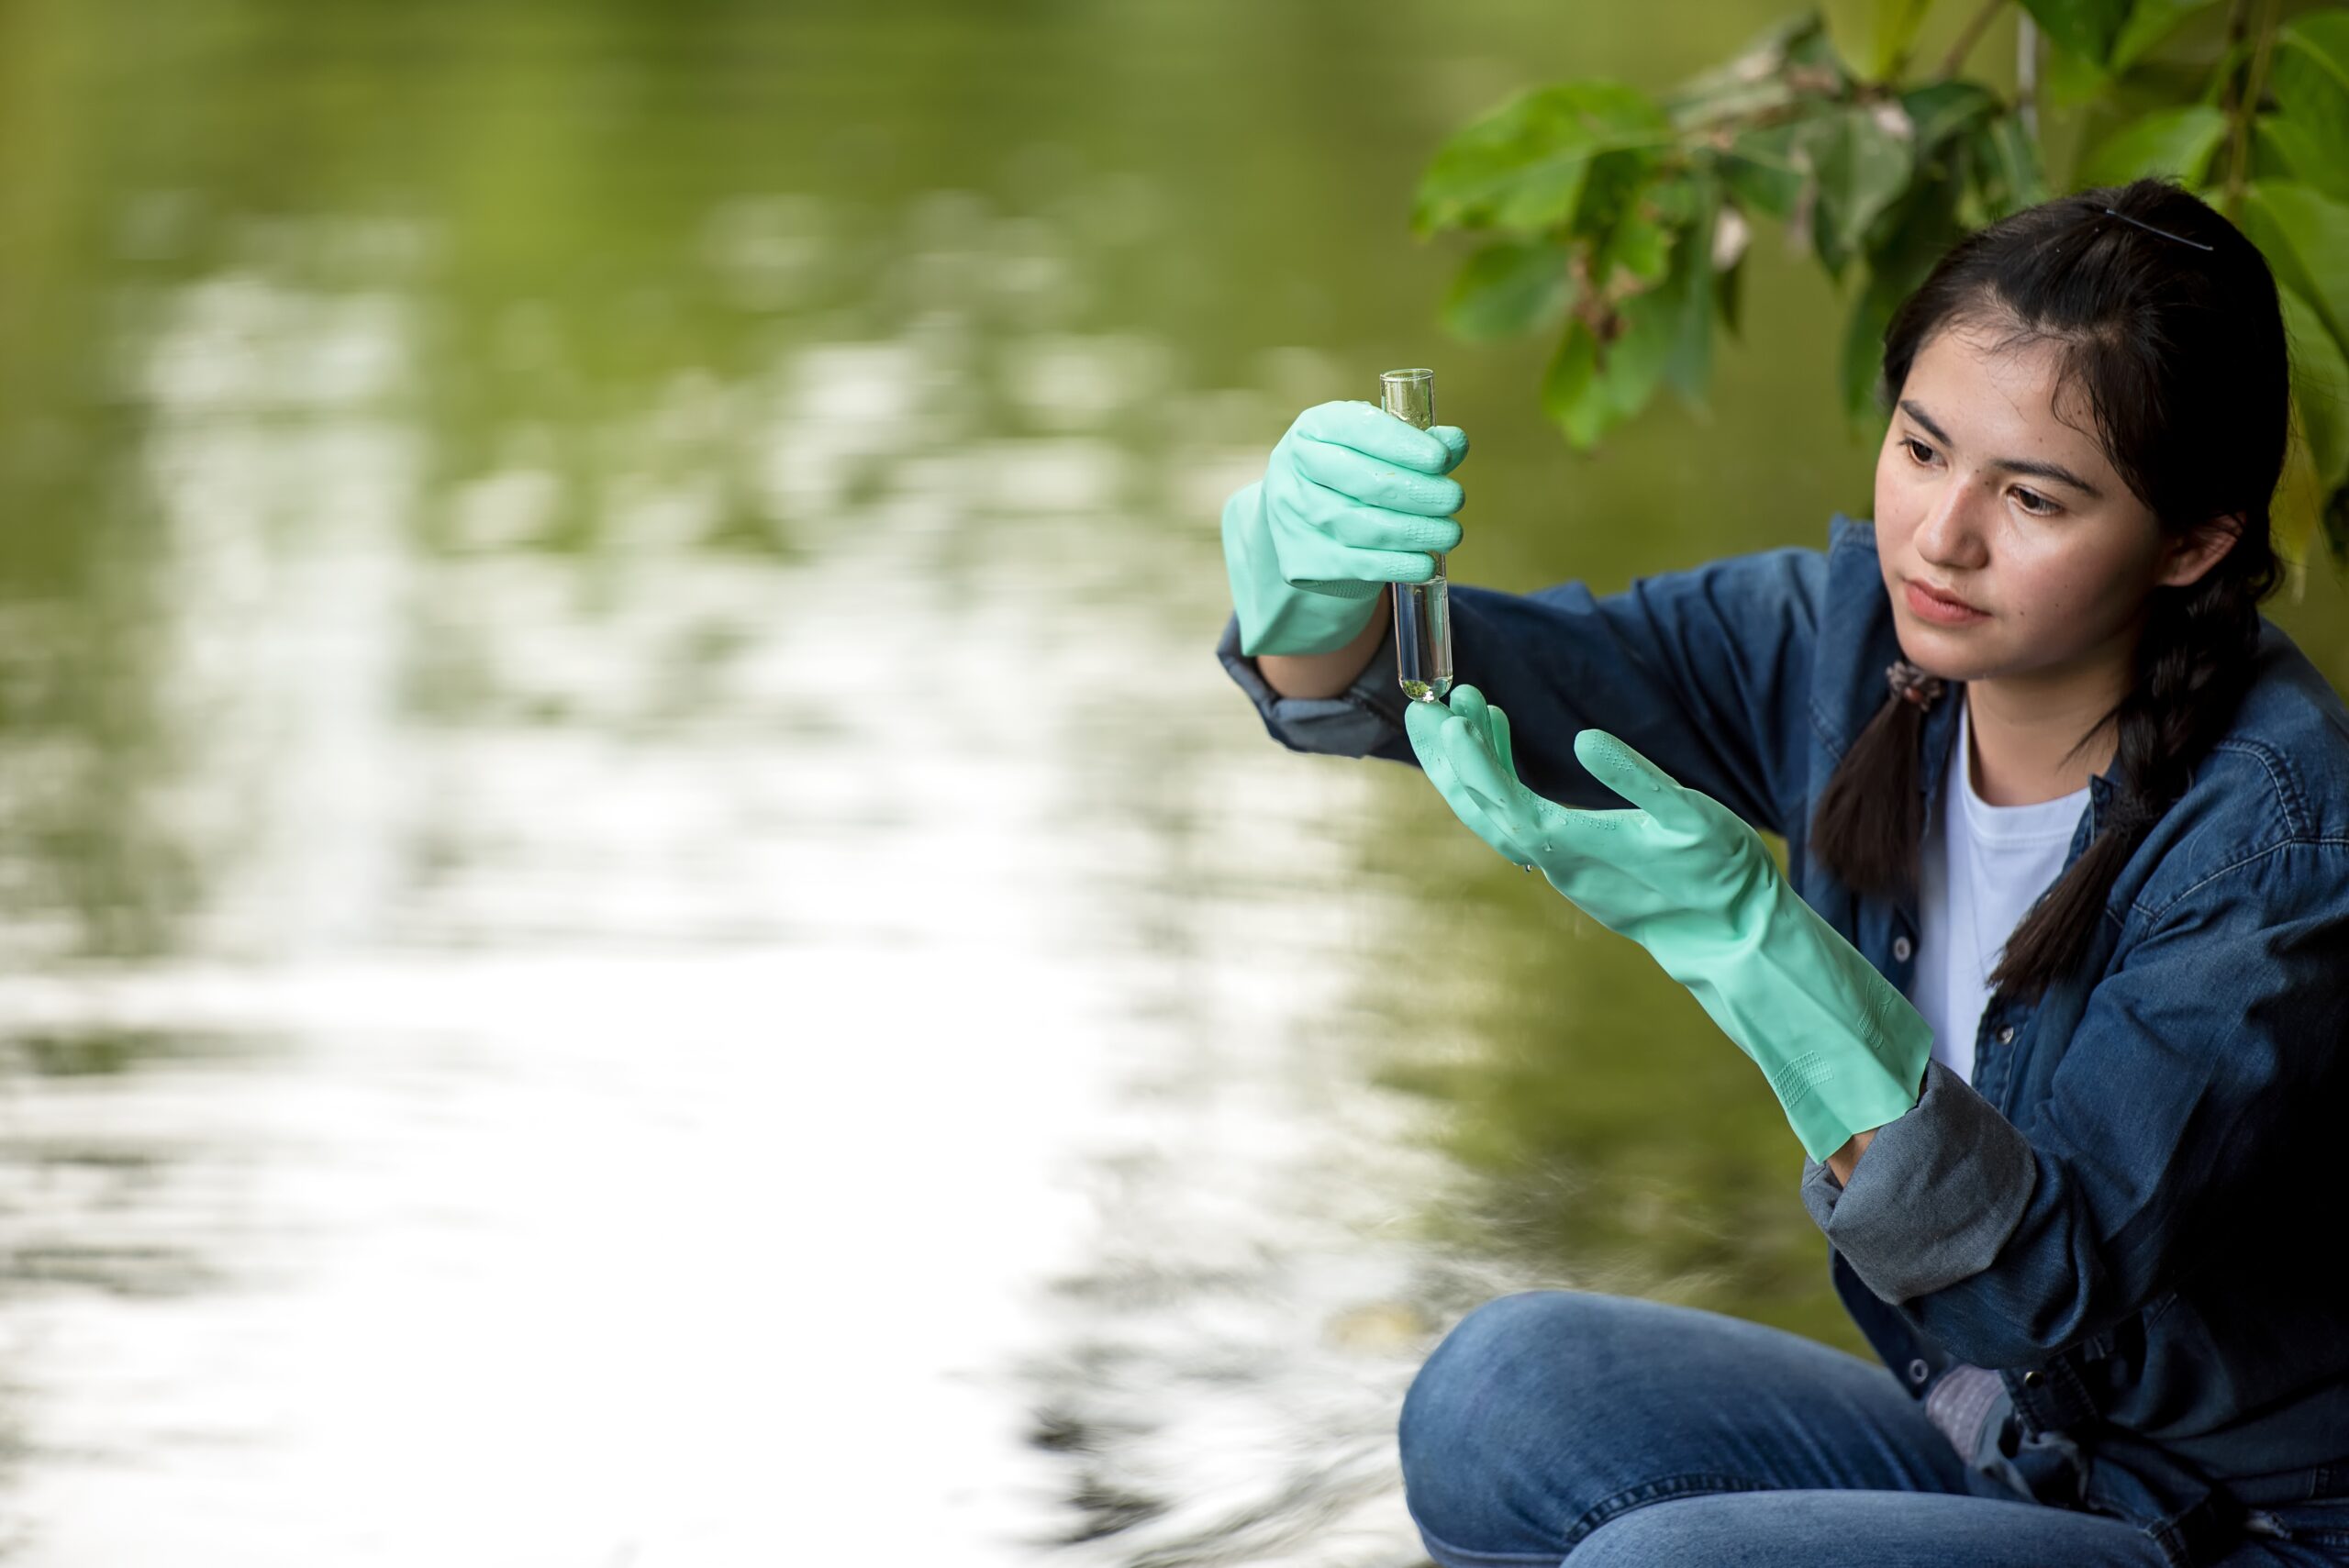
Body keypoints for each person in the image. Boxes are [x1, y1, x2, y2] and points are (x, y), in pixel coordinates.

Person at [1211, 176, 2349, 1568]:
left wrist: (1756, 950)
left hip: (2257, 1528)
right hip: (2018, 1452)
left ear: (2193, 541)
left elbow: (2046, 1288)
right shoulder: (1848, 641)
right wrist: (1316, 601)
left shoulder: (2276, 840)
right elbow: (1442, 684)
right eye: (1923, 450)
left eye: (2034, 497)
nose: (1943, 535)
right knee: (1498, 1389)